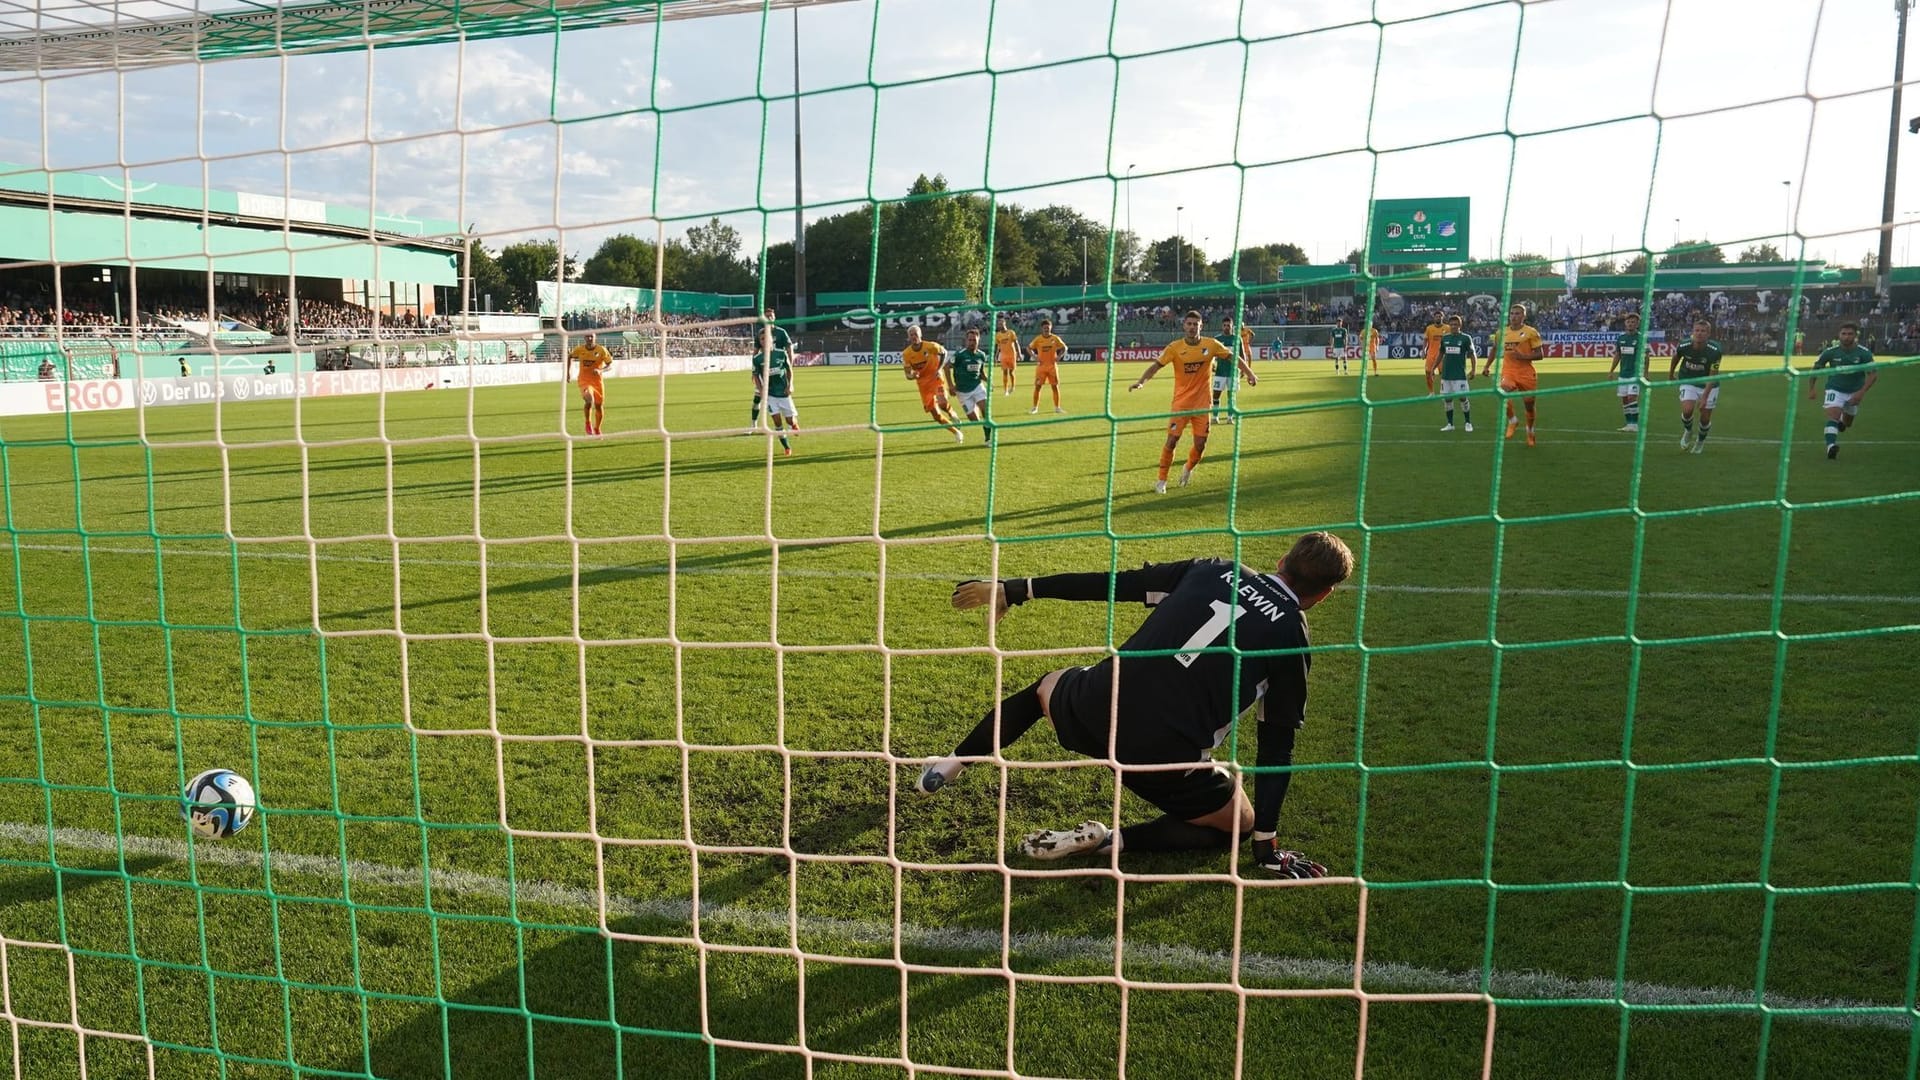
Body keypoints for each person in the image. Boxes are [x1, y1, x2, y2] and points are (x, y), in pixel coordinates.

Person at [915, 531, 1354, 875]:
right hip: (1160, 760)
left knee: (1042, 689)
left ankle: (950, 765)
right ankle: (1112, 841)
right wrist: (1266, 845)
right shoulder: (1291, 640)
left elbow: (1116, 584)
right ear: (1325, 594)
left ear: (1281, 561)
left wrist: (1019, 589)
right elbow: (1276, 749)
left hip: (1091, 710)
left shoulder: (1213, 569)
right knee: (1237, 824)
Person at [1129, 310, 1256, 493]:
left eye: (1195, 324)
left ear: (1201, 326)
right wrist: (1141, 382)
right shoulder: (1174, 347)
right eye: (1188, 324)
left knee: (1200, 445)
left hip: (1203, 405)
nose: (1191, 327)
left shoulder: (1211, 345)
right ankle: (1161, 481)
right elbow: (1156, 366)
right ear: (1184, 326)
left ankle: (1188, 468)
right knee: (1172, 440)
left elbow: (1233, 357)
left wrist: (1250, 373)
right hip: (1180, 405)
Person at [1809, 321, 1876, 460]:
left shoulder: (1864, 353)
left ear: (1855, 335)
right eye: (1843, 334)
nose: (1846, 337)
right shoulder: (1830, 352)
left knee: (1847, 423)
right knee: (1832, 415)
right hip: (1835, 388)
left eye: (1850, 334)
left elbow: (1873, 375)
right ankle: (1831, 446)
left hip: (1854, 391)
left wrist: (1861, 392)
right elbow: (1815, 369)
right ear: (1839, 335)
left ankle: (1841, 421)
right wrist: (1812, 388)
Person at [1483, 303, 1543, 447]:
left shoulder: (1531, 332)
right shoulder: (1501, 333)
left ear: (1523, 316)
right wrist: (1487, 366)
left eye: (1517, 314)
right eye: (1512, 313)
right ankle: (1513, 421)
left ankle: (1530, 431)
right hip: (1509, 371)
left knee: (1529, 406)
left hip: (1526, 374)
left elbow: (1540, 354)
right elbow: (1495, 350)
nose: (1514, 316)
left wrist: (1522, 356)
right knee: (1501, 392)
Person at [1668, 318, 1722, 455]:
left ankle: (1700, 442)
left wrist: (1704, 397)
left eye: (1703, 331)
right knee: (1687, 410)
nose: (1699, 333)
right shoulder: (1684, 345)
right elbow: (1676, 357)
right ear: (1692, 332)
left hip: (1709, 385)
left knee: (1705, 419)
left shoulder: (1715, 351)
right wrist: (1671, 374)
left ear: (1708, 334)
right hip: (1688, 380)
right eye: (1697, 330)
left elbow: (1713, 375)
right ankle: (1688, 430)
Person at [902, 325, 963, 442]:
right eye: (911, 335)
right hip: (923, 385)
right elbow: (908, 375)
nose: (913, 336)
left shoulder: (930, 346)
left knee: (942, 403)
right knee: (936, 416)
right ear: (908, 337)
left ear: (920, 335)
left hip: (936, 379)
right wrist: (912, 376)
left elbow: (944, 353)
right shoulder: (906, 354)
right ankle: (956, 432)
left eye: (915, 334)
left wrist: (938, 368)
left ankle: (952, 413)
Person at [749, 308, 793, 433]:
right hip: (764, 370)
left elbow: (789, 349)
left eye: (771, 316)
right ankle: (753, 424)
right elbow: (756, 351)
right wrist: (753, 371)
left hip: (778, 371)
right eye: (766, 316)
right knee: (757, 397)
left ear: (774, 318)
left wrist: (790, 364)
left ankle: (788, 425)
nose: (769, 318)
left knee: (783, 397)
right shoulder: (760, 334)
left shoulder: (781, 332)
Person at [947, 326, 994, 442]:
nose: (972, 342)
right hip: (962, 392)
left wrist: (988, 381)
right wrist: (951, 385)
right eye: (970, 340)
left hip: (977, 387)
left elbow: (981, 372)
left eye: (974, 340)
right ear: (966, 340)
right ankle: (973, 412)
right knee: (974, 420)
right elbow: (946, 367)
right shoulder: (960, 355)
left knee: (986, 411)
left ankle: (988, 439)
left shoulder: (981, 355)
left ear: (979, 341)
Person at [757, 325, 799, 456]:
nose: (764, 340)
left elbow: (789, 370)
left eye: (766, 338)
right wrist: (761, 390)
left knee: (789, 420)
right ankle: (786, 447)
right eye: (762, 339)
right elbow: (755, 376)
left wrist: (790, 385)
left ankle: (793, 424)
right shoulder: (757, 359)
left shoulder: (781, 353)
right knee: (776, 421)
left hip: (784, 393)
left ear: (771, 340)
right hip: (770, 395)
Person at [566, 331, 613, 436]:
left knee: (599, 406)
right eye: (587, 336)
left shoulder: (601, 350)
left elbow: (609, 365)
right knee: (589, 400)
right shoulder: (580, 349)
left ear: (595, 337)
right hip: (584, 380)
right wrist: (568, 373)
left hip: (597, 382)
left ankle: (597, 428)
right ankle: (588, 422)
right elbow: (570, 356)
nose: (589, 338)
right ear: (584, 338)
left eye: (591, 336)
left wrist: (601, 370)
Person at [1434, 315, 1476, 432]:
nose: (1453, 326)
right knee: (1447, 399)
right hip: (1446, 375)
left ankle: (1468, 423)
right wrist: (1433, 367)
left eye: (1455, 324)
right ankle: (1450, 424)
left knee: (1463, 398)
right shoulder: (1445, 338)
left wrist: (1473, 369)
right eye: (1451, 324)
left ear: (1460, 325)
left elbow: (1472, 355)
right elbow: (1441, 354)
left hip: (1459, 375)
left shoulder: (1466, 338)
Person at [1604, 312, 1643, 432]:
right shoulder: (1621, 338)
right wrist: (1611, 371)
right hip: (1623, 375)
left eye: (1633, 322)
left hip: (1635, 375)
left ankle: (1635, 424)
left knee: (1632, 398)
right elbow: (1617, 355)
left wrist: (1646, 373)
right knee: (1625, 399)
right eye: (1628, 322)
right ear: (1625, 323)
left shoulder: (1641, 338)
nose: (1630, 324)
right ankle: (1629, 424)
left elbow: (1646, 356)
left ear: (1637, 324)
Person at [1210, 316, 1244, 424]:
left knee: (1231, 395)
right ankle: (1215, 417)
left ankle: (1230, 417)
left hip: (1233, 372)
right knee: (1216, 395)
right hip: (1220, 371)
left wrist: (1243, 369)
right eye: (1224, 325)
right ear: (1222, 326)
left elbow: (1242, 355)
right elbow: (1212, 355)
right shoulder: (1217, 339)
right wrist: (1212, 364)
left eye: (1228, 325)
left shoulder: (1237, 339)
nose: (1226, 327)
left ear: (1232, 326)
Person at [1028, 318, 1066, 414]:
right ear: (1042, 328)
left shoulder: (1055, 338)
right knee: (1038, 387)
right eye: (1045, 328)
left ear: (1051, 328)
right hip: (1041, 367)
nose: (1046, 329)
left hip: (1052, 367)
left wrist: (1060, 356)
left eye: (1048, 328)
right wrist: (1034, 356)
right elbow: (1029, 348)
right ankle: (1035, 408)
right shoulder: (1038, 339)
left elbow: (1064, 347)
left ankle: (1057, 407)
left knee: (1055, 386)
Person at [994, 315, 1021, 396]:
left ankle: (1012, 386)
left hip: (1012, 355)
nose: (1000, 325)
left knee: (1011, 372)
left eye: (1001, 323)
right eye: (999, 324)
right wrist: (996, 356)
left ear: (1005, 324)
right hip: (1003, 356)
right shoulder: (998, 335)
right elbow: (998, 347)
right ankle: (1005, 390)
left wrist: (1019, 353)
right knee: (1005, 372)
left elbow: (1016, 343)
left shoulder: (1011, 332)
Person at [1423, 312, 1450, 392]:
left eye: (1439, 316)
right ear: (1434, 318)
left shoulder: (1447, 328)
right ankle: (1431, 392)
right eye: (1436, 316)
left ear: (1442, 317)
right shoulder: (1429, 328)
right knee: (1428, 373)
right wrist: (1424, 350)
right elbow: (1425, 340)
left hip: (1443, 355)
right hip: (1431, 354)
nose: (1438, 318)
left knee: (1444, 374)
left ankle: (1444, 391)